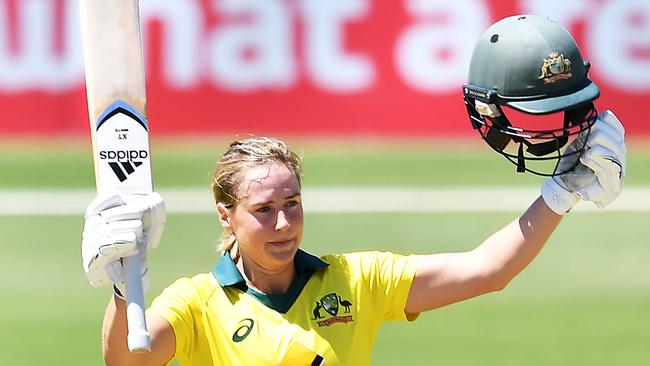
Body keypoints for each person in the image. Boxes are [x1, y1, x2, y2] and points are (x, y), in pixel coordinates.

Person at [81, 15, 627, 366]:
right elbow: (128, 360)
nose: (283, 223)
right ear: (226, 217)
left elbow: (488, 270)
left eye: (292, 204)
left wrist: (563, 190)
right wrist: (121, 284)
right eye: (263, 209)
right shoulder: (198, 302)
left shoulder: (355, 281)